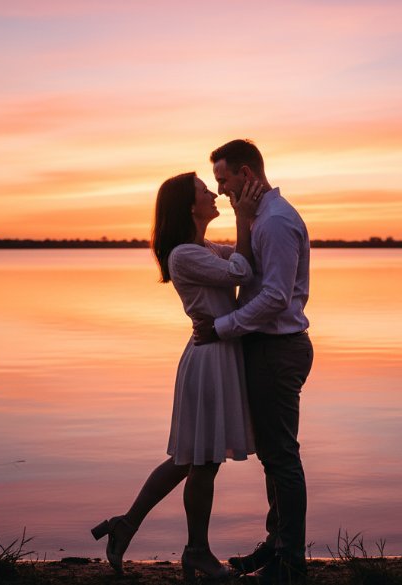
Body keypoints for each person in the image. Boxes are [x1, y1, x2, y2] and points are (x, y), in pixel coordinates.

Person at [92, 171, 263, 582]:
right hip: (208, 361)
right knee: (201, 461)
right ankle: (197, 553)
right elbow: (242, 272)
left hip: (215, 354)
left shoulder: (201, 247)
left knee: (189, 458)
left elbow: (244, 256)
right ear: (191, 206)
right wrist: (243, 215)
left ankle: (126, 524)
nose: (212, 194)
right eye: (206, 191)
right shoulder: (185, 254)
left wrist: (254, 217)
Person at [193, 139, 314, 585]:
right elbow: (239, 264)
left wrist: (221, 327)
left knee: (281, 456)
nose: (221, 189)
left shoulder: (277, 223)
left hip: (278, 349)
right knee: (272, 454)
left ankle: (290, 562)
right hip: (264, 348)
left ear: (246, 174)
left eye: (224, 180)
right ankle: (277, 543)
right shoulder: (258, 220)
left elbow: (276, 297)